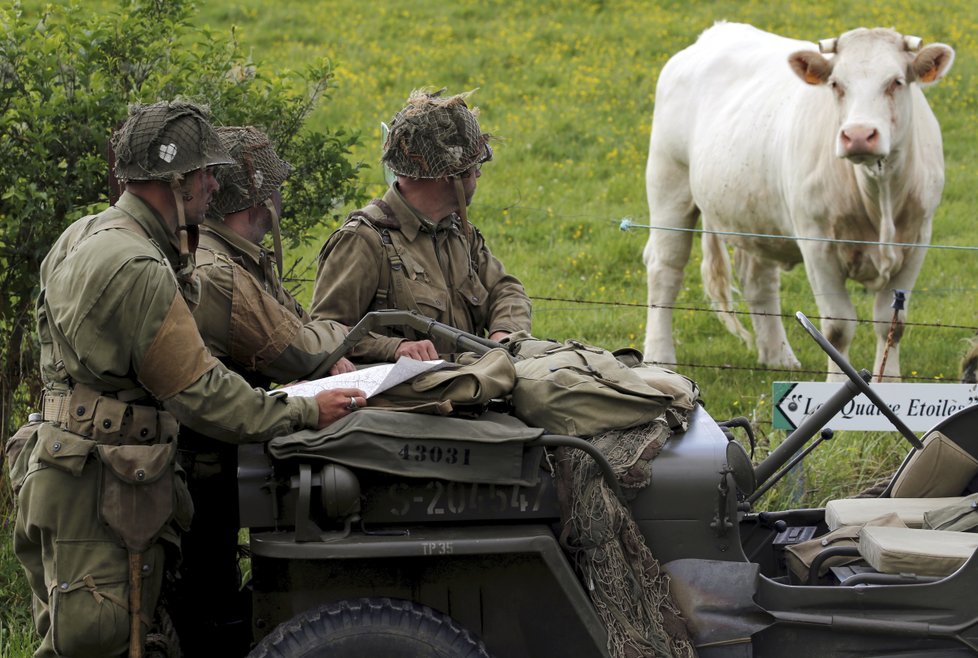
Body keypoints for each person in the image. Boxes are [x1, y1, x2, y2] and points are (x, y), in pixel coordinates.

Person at [11, 101, 365, 658]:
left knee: (78, 636)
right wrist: (300, 411)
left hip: (61, 472)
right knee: (109, 641)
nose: (211, 187)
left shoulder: (82, 234)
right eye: (203, 174)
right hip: (102, 491)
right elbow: (199, 393)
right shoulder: (139, 266)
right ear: (175, 182)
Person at [175, 125, 432, 655]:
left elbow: (302, 335)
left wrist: (333, 349)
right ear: (261, 201)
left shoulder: (241, 258)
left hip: (225, 453)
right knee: (208, 611)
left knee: (215, 601)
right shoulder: (221, 271)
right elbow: (303, 343)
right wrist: (339, 347)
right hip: (205, 468)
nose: (280, 201)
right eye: (275, 190)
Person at [310, 88, 532, 362]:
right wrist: (394, 348)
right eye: (472, 167)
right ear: (446, 176)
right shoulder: (364, 241)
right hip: (405, 400)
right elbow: (323, 333)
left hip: (474, 384)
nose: (478, 173)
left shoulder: (458, 233)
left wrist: (503, 335)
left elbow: (506, 290)